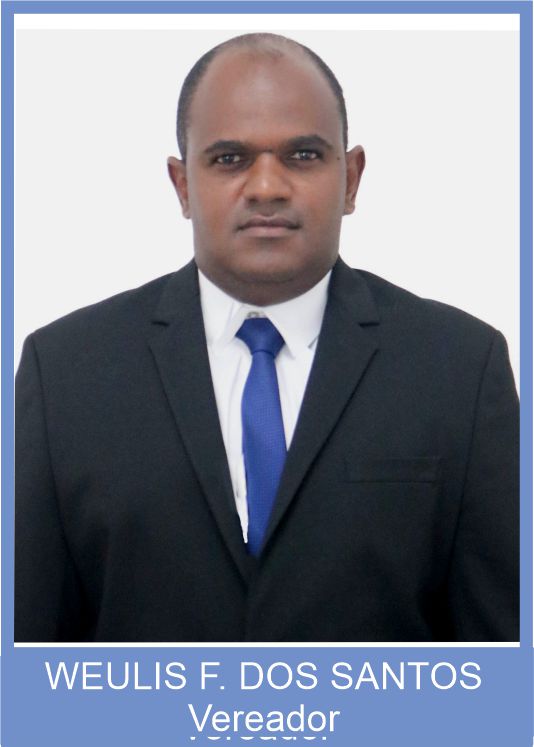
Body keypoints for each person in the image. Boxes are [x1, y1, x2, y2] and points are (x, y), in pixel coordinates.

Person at [15, 33, 518, 642]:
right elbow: (28, 656)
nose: (266, 188)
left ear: (352, 178)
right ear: (182, 184)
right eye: (230, 159)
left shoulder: (461, 369)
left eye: (303, 155)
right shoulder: (64, 373)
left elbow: (503, 659)